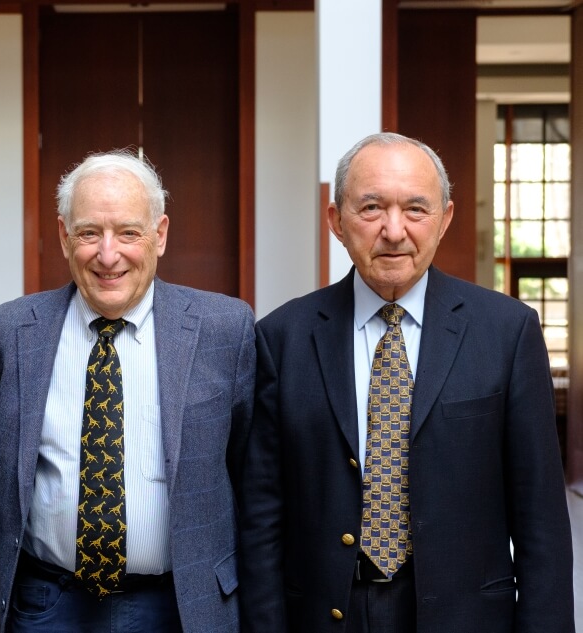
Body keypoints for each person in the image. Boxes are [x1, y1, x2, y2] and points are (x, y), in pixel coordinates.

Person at [238, 131, 574, 632]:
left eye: (416, 209)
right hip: (325, 613)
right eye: (371, 207)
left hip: (465, 616)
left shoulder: (507, 332)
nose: (394, 230)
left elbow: (541, 518)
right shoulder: (282, 338)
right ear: (336, 221)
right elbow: (261, 514)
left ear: (445, 220)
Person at [0, 149, 255, 632]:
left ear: (159, 235)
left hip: (180, 606)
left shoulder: (225, 330)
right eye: (89, 233)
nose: (109, 254)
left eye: (129, 232)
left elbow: (253, 474)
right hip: (47, 605)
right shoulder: (6, 333)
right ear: (65, 237)